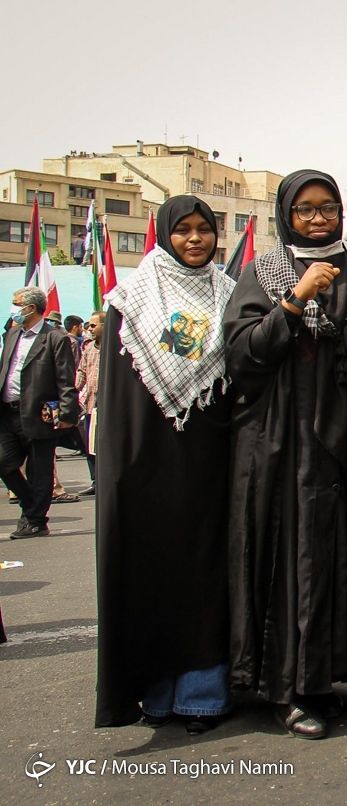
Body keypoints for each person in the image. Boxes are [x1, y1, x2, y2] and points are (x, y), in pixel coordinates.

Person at [225, 170, 347, 739]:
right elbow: (243, 355)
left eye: (328, 208)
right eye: (305, 209)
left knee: (335, 560)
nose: (318, 219)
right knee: (292, 563)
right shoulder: (263, 273)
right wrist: (297, 301)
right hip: (280, 444)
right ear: (286, 215)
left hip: (340, 444)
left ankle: (328, 680)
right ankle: (287, 688)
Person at [94, 196, 237, 732]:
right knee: (151, 576)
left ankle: (204, 697)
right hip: (146, 461)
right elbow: (118, 396)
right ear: (163, 235)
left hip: (209, 458)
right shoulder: (131, 299)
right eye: (183, 231)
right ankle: (156, 696)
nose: (195, 239)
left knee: (205, 576)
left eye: (205, 230)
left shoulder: (229, 293)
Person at [0, 286, 79, 539]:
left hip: (39, 413)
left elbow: (66, 378)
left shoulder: (55, 338)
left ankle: (35, 520)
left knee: (39, 471)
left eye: (16, 303)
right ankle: (30, 504)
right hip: (8, 411)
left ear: (30, 308)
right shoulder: (12, 334)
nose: (13, 308)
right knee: (4, 463)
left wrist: (67, 414)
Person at [75, 311, 103, 494]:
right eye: (89, 326)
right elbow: (81, 371)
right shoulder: (89, 348)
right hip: (90, 405)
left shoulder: (117, 349)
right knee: (89, 446)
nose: (90, 329)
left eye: (94, 325)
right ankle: (95, 481)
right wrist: (72, 391)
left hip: (108, 407)